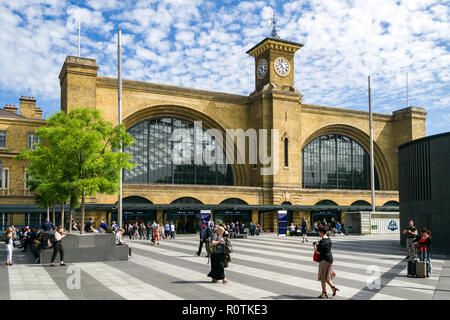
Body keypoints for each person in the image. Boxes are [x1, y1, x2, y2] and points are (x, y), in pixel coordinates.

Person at [314, 226, 339, 298]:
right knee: (325, 277)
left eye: (319, 232)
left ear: (321, 232)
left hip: (324, 260)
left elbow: (318, 252)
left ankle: (324, 293)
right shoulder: (328, 239)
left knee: (323, 278)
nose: (318, 233)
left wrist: (315, 247)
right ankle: (333, 288)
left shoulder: (322, 242)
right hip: (329, 259)